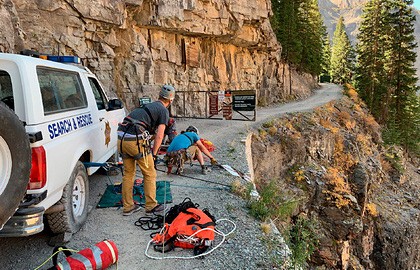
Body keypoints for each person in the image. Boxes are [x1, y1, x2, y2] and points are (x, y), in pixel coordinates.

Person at [117, 84, 175, 216]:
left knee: (128, 174)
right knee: (150, 173)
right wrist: (154, 155)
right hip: (135, 140)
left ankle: (128, 207)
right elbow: (160, 135)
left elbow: (151, 133)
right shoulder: (163, 110)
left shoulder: (149, 106)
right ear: (171, 100)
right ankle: (151, 205)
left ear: (159, 96)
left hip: (121, 137)